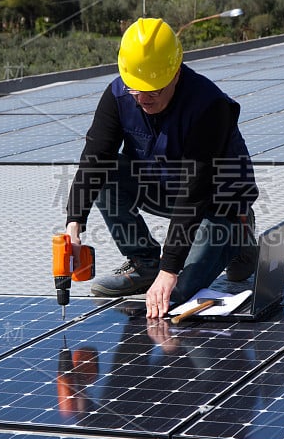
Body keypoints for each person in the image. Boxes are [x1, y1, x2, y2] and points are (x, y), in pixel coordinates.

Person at [64, 18, 259, 319]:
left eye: (154, 90)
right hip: (163, 189)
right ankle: (144, 262)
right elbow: (94, 159)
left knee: (177, 296)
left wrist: (170, 271)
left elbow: (195, 194)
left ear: (176, 73)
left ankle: (240, 241)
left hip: (217, 202)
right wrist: (73, 226)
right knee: (106, 172)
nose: (143, 98)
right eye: (136, 90)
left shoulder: (209, 105)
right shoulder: (118, 96)